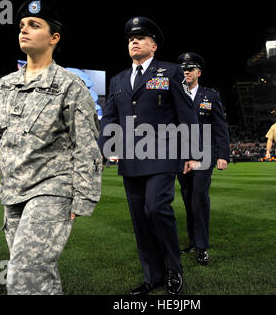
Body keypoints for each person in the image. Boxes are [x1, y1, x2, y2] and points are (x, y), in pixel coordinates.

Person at [0, 0, 102, 295]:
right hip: (13, 192)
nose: (24, 30)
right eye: (21, 26)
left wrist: (82, 197)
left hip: (52, 189)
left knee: (22, 274)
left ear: (54, 38)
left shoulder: (70, 85)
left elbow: (86, 144)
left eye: (34, 25)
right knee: (40, 275)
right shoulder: (5, 86)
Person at [97, 16, 200, 295]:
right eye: (131, 38)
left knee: (156, 209)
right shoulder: (118, 80)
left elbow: (187, 113)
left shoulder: (171, 71)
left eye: (140, 38)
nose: (134, 41)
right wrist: (110, 144)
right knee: (140, 221)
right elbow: (109, 117)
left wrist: (192, 153)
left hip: (163, 155)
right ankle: (152, 276)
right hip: (130, 159)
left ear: (153, 46)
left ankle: (173, 270)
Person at [176, 52, 230, 265]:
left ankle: (201, 246)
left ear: (198, 72)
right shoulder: (175, 94)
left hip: (204, 154)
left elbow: (220, 127)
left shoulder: (211, 95)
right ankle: (192, 241)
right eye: (183, 69)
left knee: (199, 196)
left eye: (190, 69)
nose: (186, 72)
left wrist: (223, 155)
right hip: (180, 155)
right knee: (188, 197)